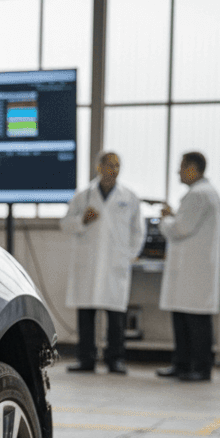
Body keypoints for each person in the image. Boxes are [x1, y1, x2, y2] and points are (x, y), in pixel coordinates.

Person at [60, 151, 146, 373]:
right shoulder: (83, 196)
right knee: (86, 314)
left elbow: (138, 231)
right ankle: (86, 359)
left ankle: (115, 359)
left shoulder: (129, 198)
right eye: (109, 165)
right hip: (88, 263)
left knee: (116, 317)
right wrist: (82, 220)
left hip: (115, 263)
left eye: (117, 166)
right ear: (99, 168)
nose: (113, 170)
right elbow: (66, 224)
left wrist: (129, 255)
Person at [156, 151, 220, 382]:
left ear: (193, 168)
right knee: (184, 319)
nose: (178, 171)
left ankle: (200, 368)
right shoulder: (203, 193)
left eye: (182, 167)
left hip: (194, 272)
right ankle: (182, 364)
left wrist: (165, 218)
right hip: (191, 271)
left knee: (196, 323)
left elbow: (180, 229)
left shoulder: (199, 195)